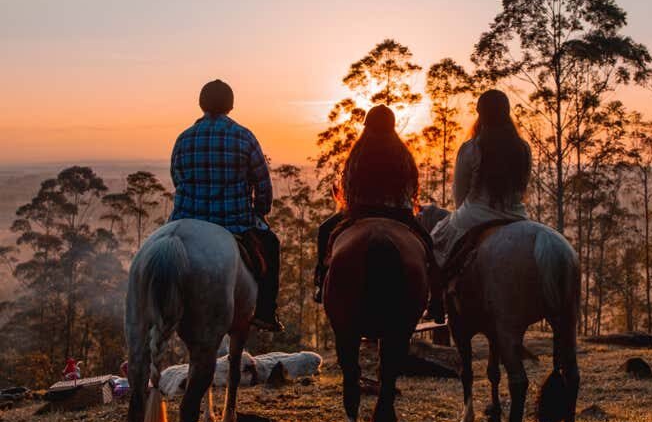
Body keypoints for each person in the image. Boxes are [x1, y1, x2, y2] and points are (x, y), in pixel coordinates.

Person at [170, 79, 283, 332]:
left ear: (201, 104)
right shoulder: (244, 137)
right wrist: (261, 211)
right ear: (230, 106)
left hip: (186, 222)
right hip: (234, 223)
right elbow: (263, 183)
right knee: (272, 246)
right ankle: (265, 312)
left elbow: (177, 179)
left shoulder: (183, 138)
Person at [312, 105, 444, 323]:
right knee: (428, 246)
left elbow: (349, 186)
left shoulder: (358, 153)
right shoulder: (403, 154)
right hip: (399, 214)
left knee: (324, 230)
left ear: (367, 126)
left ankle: (321, 281)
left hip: (360, 212)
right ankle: (436, 300)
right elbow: (411, 188)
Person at [431, 89, 531, 268]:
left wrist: (461, 211)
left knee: (435, 247)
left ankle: (440, 293)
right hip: (518, 216)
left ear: (480, 114)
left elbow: (460, 193)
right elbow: (522, 186)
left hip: (474, 217)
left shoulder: (471, 148)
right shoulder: (523, 148)